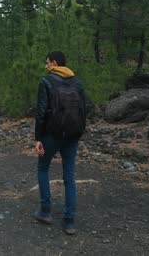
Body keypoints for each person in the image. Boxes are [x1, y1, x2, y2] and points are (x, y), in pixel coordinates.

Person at [34, 51, 87, 235]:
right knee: (69, 175)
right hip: (73, 134)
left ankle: (45, 212)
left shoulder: (46, 81)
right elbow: (84, 110)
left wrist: (38, 139)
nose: (46, 66)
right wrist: (78, 132)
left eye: (47, 62)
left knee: (42, 167)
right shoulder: (77, 82)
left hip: (52, 134)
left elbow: (41, 113)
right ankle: (69, 221)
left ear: (54, 63)